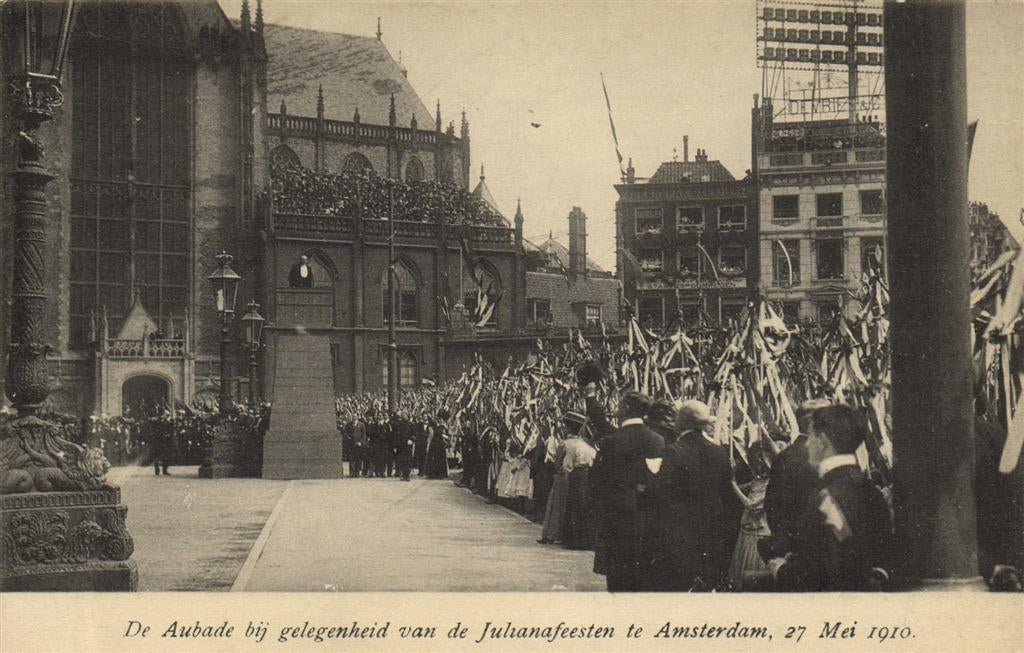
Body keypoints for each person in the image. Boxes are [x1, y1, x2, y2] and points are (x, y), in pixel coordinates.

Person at [769, 404, 894, 591]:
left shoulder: (825, 498)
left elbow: (829, 574)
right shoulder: (872, 491)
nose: (807, 443)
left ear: (822, 442)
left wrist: (782, 570)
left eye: (811, 436)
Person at [655, 399, 740, 592]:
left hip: (679, 531)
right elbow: (727, 492)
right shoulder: (719, 452)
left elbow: (662, 492)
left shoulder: (674, 451)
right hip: (711, 531)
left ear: (683, 421)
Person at [590, 390, 664, 591]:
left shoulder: (611, 441)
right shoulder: (657, 440)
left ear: (625, 409)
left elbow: (597, 482)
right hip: (647, 520)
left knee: (617, 580)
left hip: (616, 517)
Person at [761, 398, 831, 562]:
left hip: (796, 549)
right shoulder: (826, 454)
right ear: (810, 423)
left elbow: (772, 507)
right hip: (812, 548)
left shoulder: (784, 457)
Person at [728, 441, 771, 590]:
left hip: (758, 535)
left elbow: (751, 505)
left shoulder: (771, 484)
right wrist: (732, 473)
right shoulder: (759, 481)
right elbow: (741, 489)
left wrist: (732, 484)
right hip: (747, 534)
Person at [561, 411, 598, 550]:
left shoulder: (573, 445)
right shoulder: (591, 445)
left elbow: (567, 465)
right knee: (586, 507)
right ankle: (587, 541)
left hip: (577, 476)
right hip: (589, 475)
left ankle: (574, 540)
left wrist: (567, 474)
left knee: (574, 506)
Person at [538, 427, 568, 544]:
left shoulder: (564, 444)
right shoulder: (585, 444)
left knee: (555, 507)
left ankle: (551, 535)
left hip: (562, 477)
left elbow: (557, 463)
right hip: (578, 478)